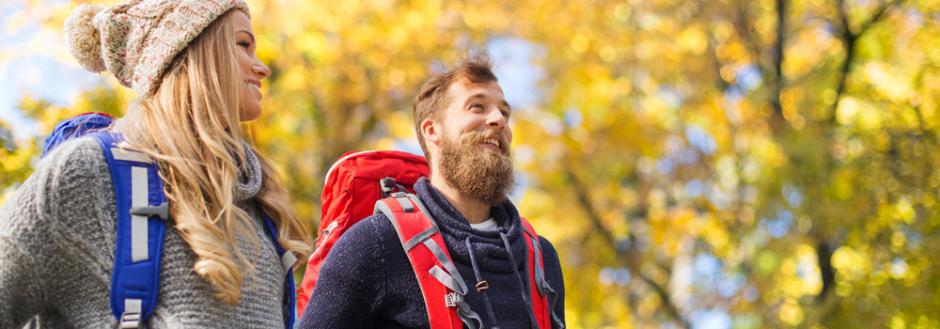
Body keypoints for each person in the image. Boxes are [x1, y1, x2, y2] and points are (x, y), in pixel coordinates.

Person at [0, 1, 310, 328]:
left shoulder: (260, 207)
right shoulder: (87, 174)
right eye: (243, 45)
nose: (262, 68)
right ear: (187, 52)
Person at [299, 54, 565, 328]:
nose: (499, 119)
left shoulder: (540, 257)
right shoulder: (375, 244)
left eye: (505, 112)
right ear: (431, 131)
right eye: (477, 106)